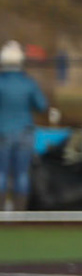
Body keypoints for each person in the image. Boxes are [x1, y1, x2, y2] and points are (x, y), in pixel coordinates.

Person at [0, 41, 47, 210]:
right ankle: (20, 215)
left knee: (2, 173)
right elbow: (41, 105)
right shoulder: (28, 83)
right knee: (21, 174)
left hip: (2, 133)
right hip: (25, 133)